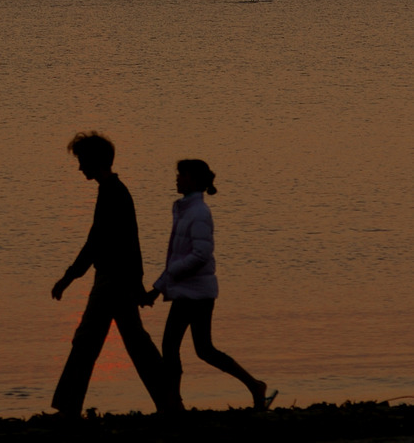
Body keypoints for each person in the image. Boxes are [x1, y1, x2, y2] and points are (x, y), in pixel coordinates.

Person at [51, 132, 171, 417]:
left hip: (112, 282)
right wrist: (137, 285)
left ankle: (69, 407)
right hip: (117, 280)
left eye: (82, 161)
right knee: (135, 343)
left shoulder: (113, 194)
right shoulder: (112, 191)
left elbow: (98, 243)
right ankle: (169, 400)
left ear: (94, 161)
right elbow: (126, 243)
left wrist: (68, 278)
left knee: (87, 341)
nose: (80, 168)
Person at [147, 159, 276, 411]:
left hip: (195, 294)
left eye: (181, 175)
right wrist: (158, 288)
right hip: (191, 292)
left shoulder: (198, 213)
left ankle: (173, 403)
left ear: (193, 180)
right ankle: (254, 386)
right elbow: (178, 257)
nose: (177, 179)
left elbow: (201, 255)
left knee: (174, 346)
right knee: (203, 349)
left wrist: (164, 281)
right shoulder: (185, 210)